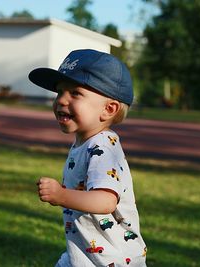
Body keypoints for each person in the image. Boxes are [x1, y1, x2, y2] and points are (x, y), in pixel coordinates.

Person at [29, 49, 147, 267]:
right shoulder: (86, 142)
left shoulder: (103, 146)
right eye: (60, 92)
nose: (62, 100)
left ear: (108, 109)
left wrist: (61, 195)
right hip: (85, 253)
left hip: (110, 259)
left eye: (75, 93)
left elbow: (106, 200)